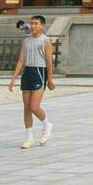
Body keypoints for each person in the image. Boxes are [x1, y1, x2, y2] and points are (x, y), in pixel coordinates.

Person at [9, 14, 55, 148]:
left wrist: (50, 79)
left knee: (34, 107)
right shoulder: (26, 41)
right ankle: (29, 138)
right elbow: (21, 60)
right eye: (32, 23)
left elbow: (48, 61)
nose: (33, 26)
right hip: (27, 72)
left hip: (39, 72)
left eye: (36, 24)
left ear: (42, 26)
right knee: (27, 108)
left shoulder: (45, 40)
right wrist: (13, 79)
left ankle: (47, 124)